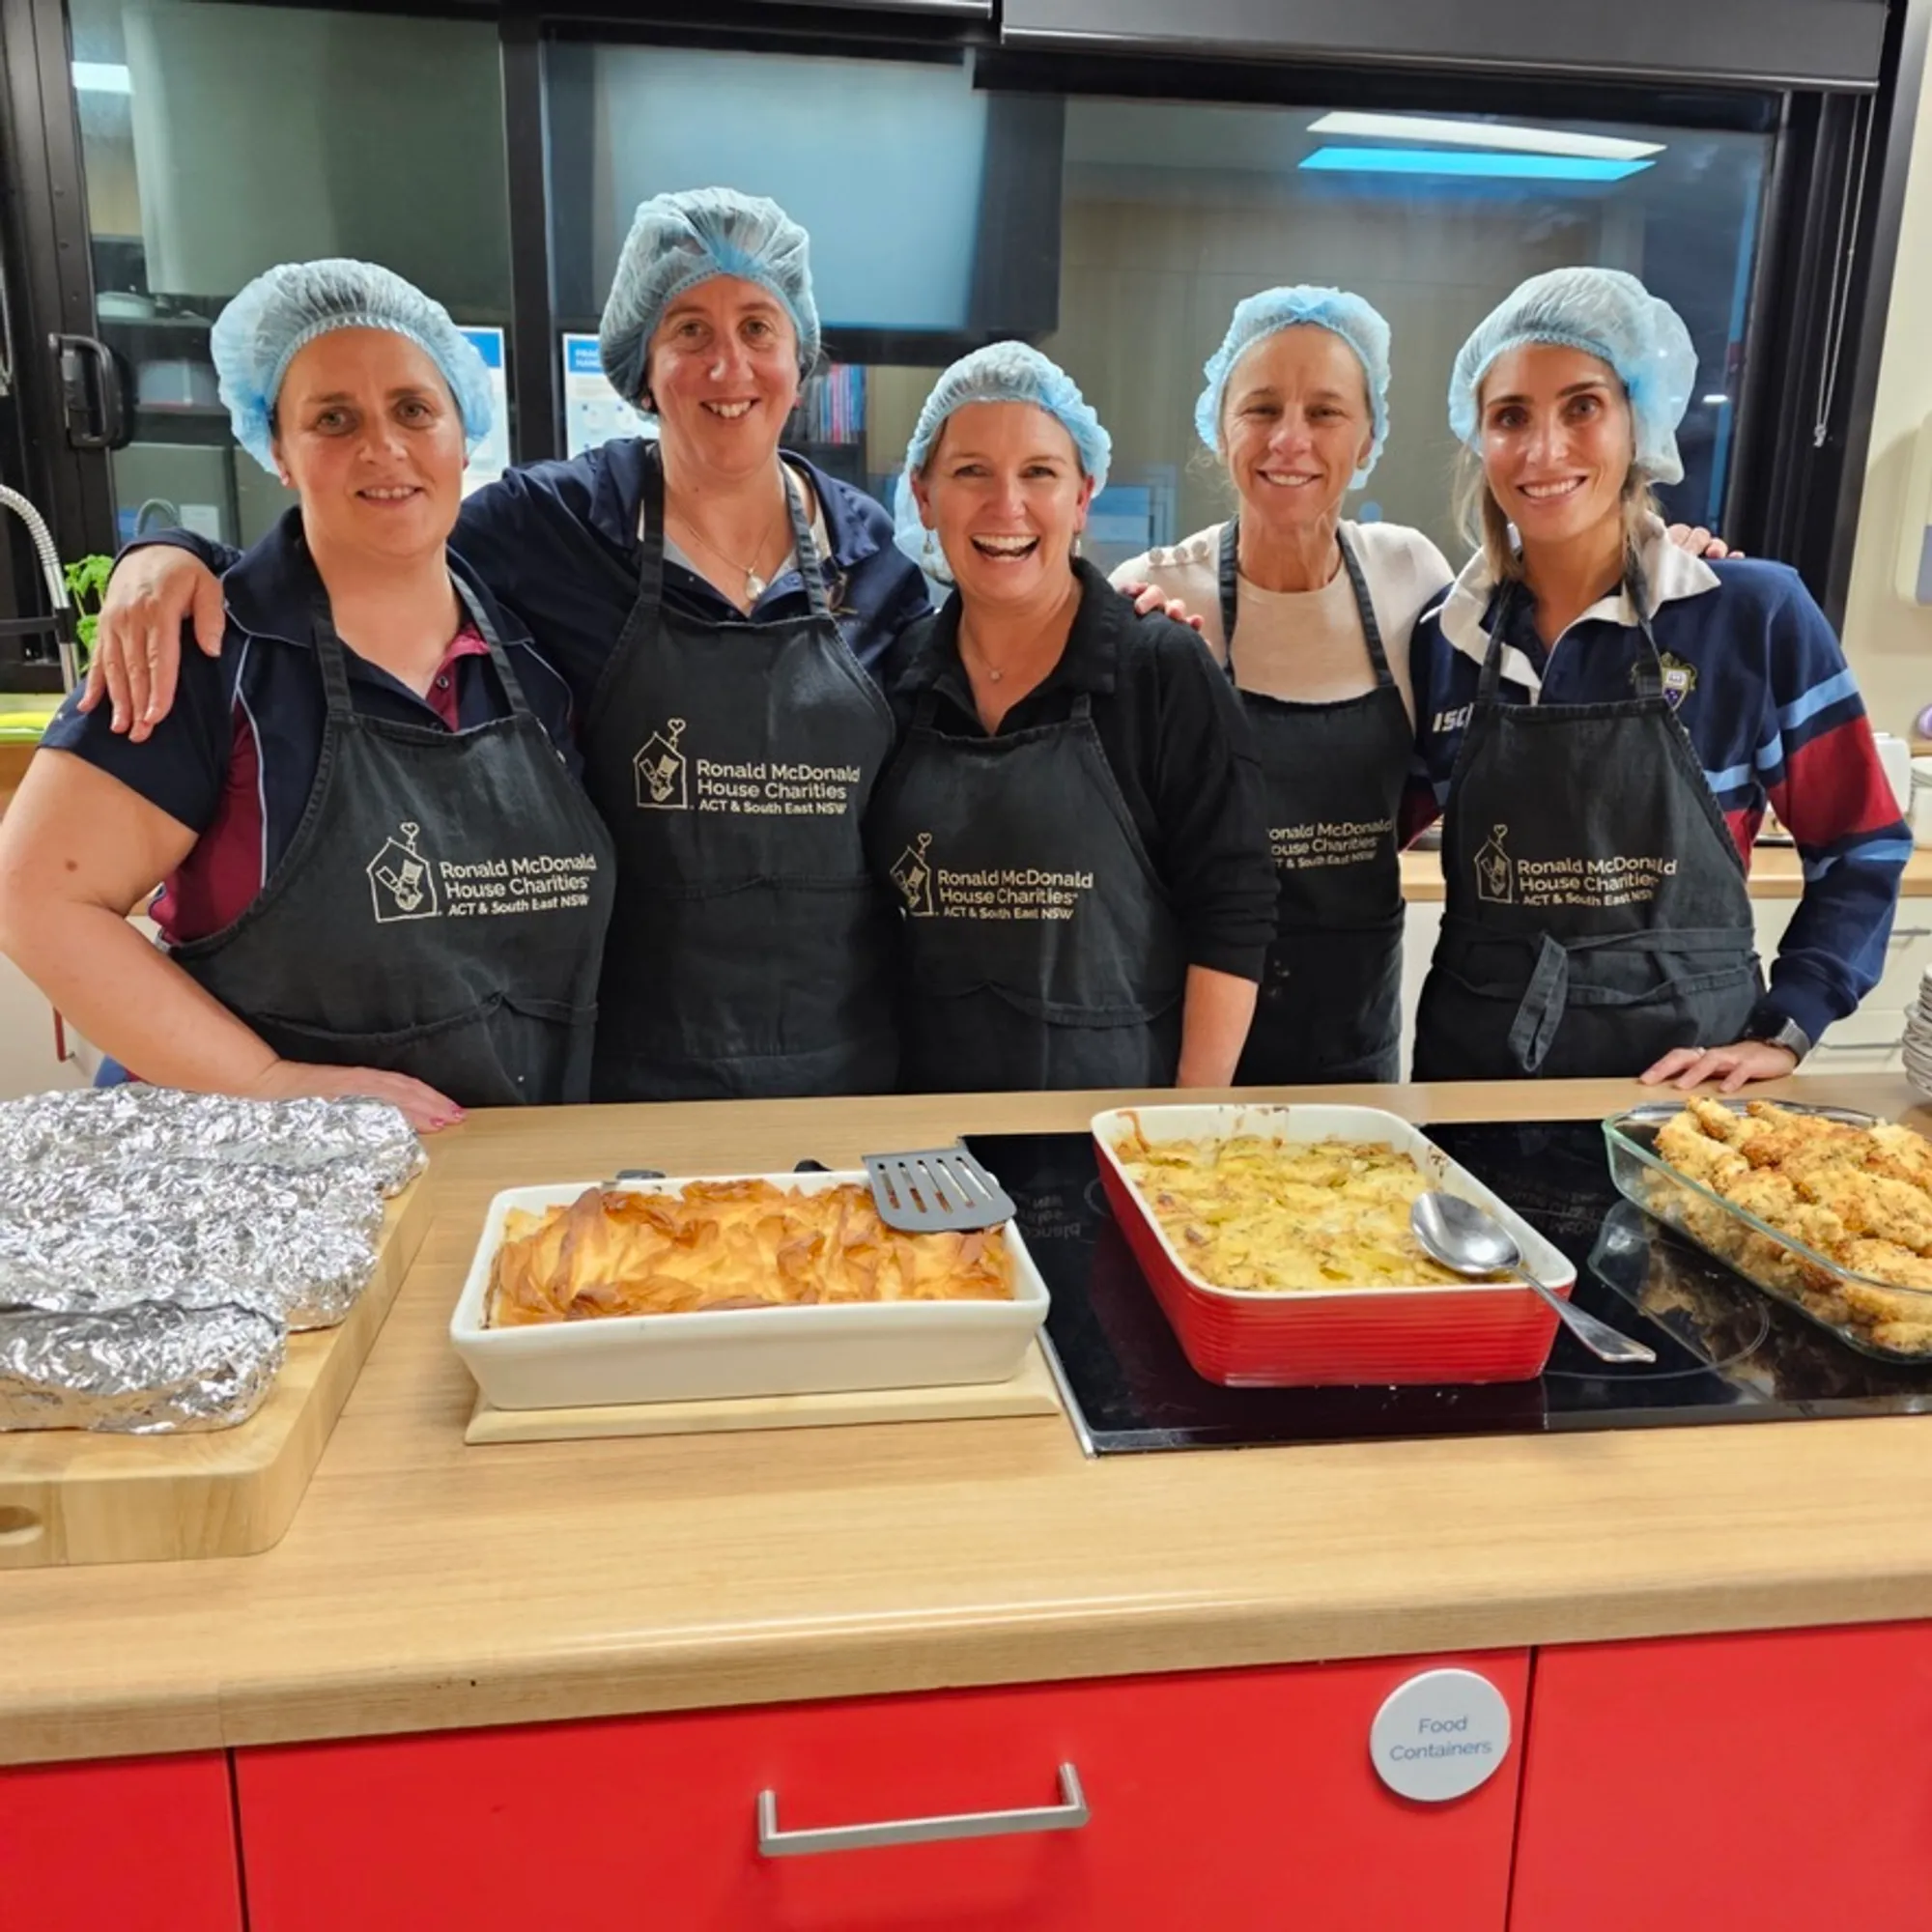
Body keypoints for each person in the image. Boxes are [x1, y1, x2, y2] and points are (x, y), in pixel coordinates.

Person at [78, 188, 929, 1100]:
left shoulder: (874, 557)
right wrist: (176, 556)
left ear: (801, 358)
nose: (729, 364)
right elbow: (370, 546)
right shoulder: (549, 526)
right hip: (625, 1072)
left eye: (759, 327)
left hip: (844, 1060)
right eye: (688, 329)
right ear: (643, 364)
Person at [0, 261, 614, 1127]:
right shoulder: (206, 653)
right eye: (333, 419)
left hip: (493, 1165)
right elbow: (35, 897)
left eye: (413, 409)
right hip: (262, 1175)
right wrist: (270, 1086)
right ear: (277, 449)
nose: (383, 447)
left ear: (463, 432)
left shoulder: (533, 658)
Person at [1405, 266, 1908, 1089]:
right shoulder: (1446, 638)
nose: (1545, 449)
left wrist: (1789, 1025)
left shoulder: (1750, 614)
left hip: (1683, 1095)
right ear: (1479, 437)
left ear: (1640, 420)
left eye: (1582, 406)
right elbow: (1355, 830)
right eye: (1510, 417)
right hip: (1476, 1091)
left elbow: (1861, 845)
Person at [869, 343, 1278, 1091]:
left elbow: (1234, 910)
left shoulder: (1162, 671)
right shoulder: (895, 678)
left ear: (1083, 495)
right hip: (929, 1143)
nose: (1006, 505)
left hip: (1110, 1141)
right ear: (924, 497)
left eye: (1039, 473)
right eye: (971, 472)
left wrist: (1181, 1131)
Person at [1114, 287, 1450, 1085]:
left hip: (1353, 1036)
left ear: (1369, 438)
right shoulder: (1153, 595)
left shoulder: (1412, 575)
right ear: (1220, 427)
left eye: (1326, 412)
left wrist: (1675, 554)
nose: (1290, 439)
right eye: (1261, 408)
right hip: (1182, 1037)